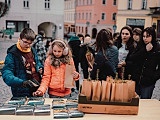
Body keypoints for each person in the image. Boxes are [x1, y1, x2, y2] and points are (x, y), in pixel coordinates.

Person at [2, 28, 43, 97]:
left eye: (30, 43)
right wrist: (22, 83)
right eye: (25, 42)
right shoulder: (12, 54)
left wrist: (40, 68)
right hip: (21, 91)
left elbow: (37, 63)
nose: (28, 45)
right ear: (19, 39)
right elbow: (7, 74)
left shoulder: (32, 50)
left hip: (36, 89)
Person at [128, 27, 160, 99]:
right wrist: (144, 50)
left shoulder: (157, 47)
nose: (145, 38)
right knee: (134, 101)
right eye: (144, 36)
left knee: (145, 102)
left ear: (153, 36)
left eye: (148, 36)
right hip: (136, 79)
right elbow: (132, 58)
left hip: (148, 81)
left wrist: (153, 77)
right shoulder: (140, 45)